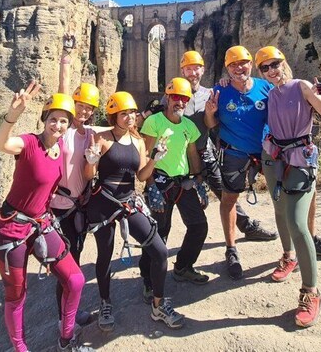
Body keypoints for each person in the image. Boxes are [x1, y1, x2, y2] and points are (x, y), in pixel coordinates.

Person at [0, 83, 93, 352]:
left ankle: (66, 338)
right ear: (44, 120)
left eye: (63, 121)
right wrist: (12, 114)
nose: (57, 125)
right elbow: (0, 143)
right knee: (16, 295)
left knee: (75, 280)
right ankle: (20, 348)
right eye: (52, 120)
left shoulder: (62, 151)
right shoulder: (29, 143)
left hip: (41, 224)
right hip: (11, 228)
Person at [84, 91, 185, 331]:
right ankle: (105, 302)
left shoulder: (137, 140)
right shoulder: (103, 139)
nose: (130, 117)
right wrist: (89, 162)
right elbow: (89, 176)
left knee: (160, 251)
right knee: (105, 254)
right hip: (104, 203)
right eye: (124, 113)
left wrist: (155, 160)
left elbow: (141, 175)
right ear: (113, 116)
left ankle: (158, 306)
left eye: (132, 112)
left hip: (129, 200)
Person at [255, 46, 321, 328]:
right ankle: (288, 257)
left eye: (274, 65)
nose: (271, 71)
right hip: (274, 156)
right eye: (264, 68)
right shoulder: (270, 93)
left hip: (300, 158)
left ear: (283, 63)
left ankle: (311, 293)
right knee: (279, 212)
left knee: (296, 222)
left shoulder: (301, 86)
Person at [173, 50, 278, 242]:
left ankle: (247, 227)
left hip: (205, 152)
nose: (192, 73)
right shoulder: (173, 95)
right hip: (178, 158)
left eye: (196, 69)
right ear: (182, 71)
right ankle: (159, 242)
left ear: (203, 70)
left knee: (226, 193)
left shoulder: (212, 93)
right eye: (188, 69)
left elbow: (212, 123)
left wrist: (226, 82)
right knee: (176, 198)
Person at [204, 46, 272, 280]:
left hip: (266, 153)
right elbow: (211, 124)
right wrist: (211, 113)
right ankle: (231, 249)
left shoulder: (265, 88)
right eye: (233, 65)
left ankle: (292, 248)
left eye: (242, 63)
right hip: (234, 155)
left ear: (251, 64)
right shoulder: (219, 91)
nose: (238, 68)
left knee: (283, 196)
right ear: (227, 68)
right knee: (229, 199)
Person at [139, 77, 209, 296]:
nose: (180, 102)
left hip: (182, 183)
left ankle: (183, 267)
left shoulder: (188, 126)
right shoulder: (155, 122)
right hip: (159, 182)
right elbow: (145, 155)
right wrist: (150, 186)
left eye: (184, 99)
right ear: (168, 98)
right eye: (176, 97)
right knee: (158, 233)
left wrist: (198, 180)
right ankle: (148, 279)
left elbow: (191, 154)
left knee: (199, 226)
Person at [51, 38, 99, 328]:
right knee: (67, 266)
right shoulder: (64, 130)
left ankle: (70, 311)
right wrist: (66, 59)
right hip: (59, 207)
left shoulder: (90, 134)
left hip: (80, 206)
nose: (83, 111)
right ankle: (64, 318)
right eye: (80, 105)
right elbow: (62, 93)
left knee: (76, 258)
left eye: (89, 108)